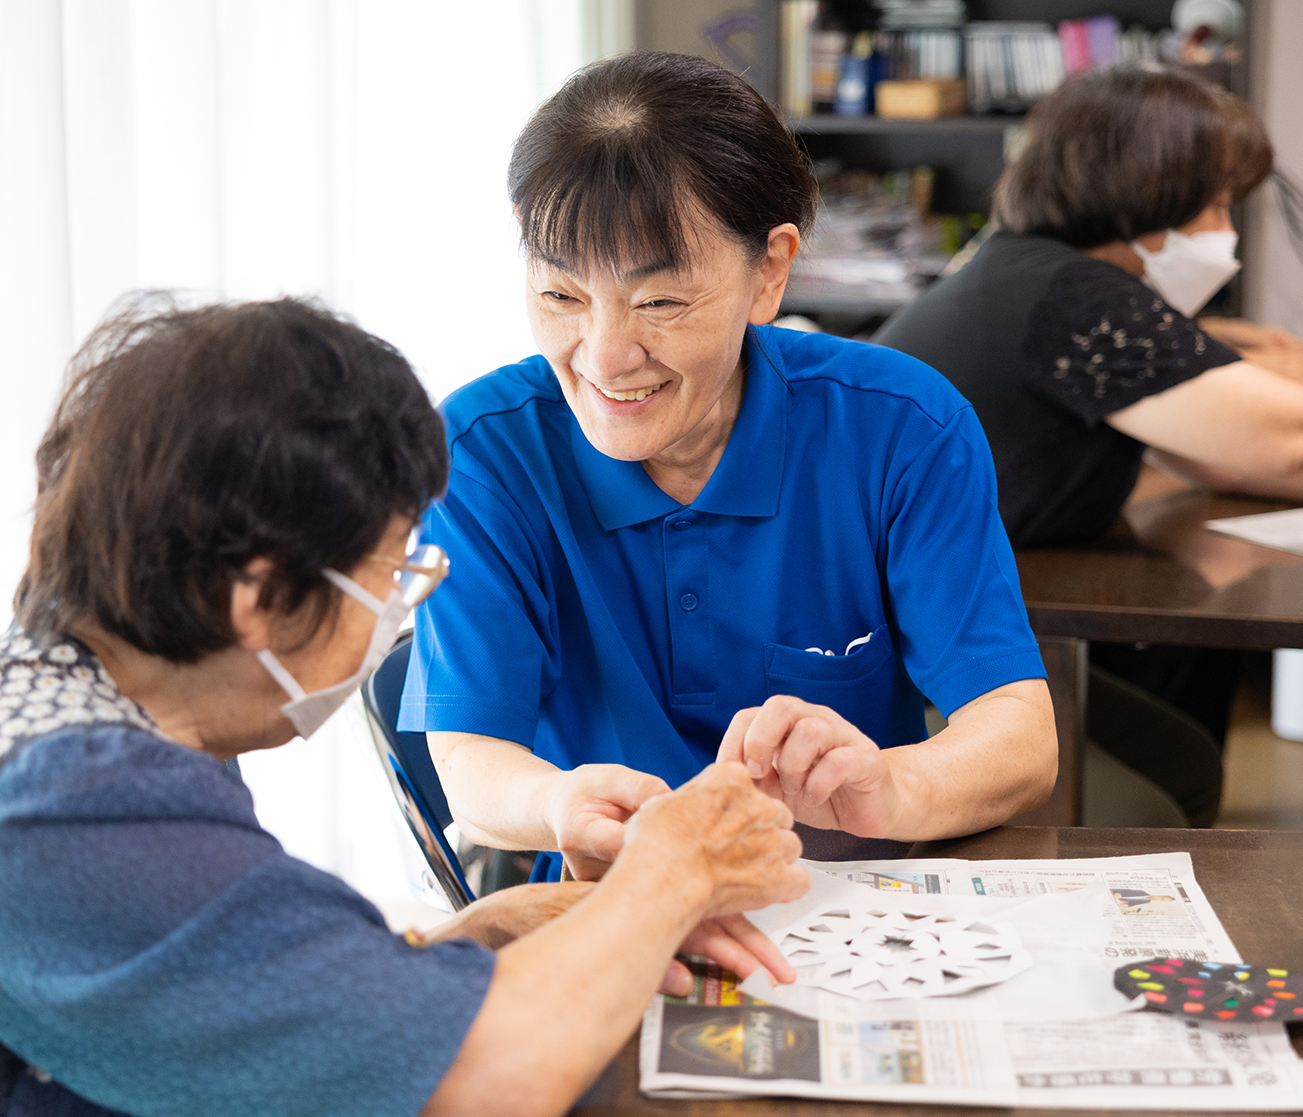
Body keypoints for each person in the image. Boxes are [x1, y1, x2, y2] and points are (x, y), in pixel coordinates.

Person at [0, 297, 809, 1117]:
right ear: (257, 597)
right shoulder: (69, 807)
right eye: (389, 574)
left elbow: (201, 980)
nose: (400, 609)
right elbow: (490, 1082)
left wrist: (479, 936)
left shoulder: (48, 705)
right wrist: (675, 868)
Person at [398, 52, 1058, 887]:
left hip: (860, 907)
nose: (604, 358)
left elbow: (1019, 735)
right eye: (561, 297)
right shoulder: (482, 453)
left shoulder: (901, 428)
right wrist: (561, 805)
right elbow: (471, 754)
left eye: (660, 302)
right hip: (615, 906)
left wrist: (891, 785)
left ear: (770, 270)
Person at [876, 66, 1303, 827]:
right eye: (1219, 202)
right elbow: (1299, 442)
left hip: (960, 625)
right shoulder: (1071, 295)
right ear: (1151, 190)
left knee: (1182, 762)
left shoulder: (1028, 271)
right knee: (1160, 796)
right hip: (917, 658)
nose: (1224, 230)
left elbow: (1225, 446)